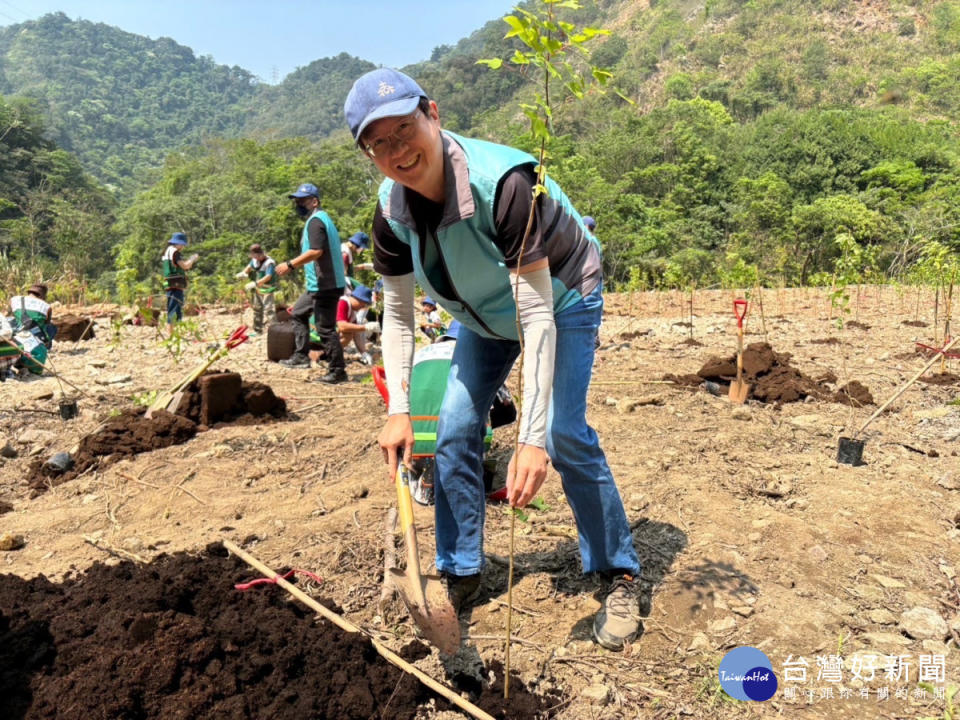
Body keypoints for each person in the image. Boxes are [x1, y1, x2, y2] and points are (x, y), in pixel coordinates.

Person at [345, 68, 643, 650]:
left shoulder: (501, 184)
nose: (397, 150)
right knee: (452, 428)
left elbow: (535, 316)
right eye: (378, 143)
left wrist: (530, 439)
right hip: (481, 315)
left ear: (432, 113)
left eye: (404, 129)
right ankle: (459, 571)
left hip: (560, 297)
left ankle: (618, 572)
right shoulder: (391, 213)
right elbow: (400, 315)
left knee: (563, 435)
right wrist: (400, 408)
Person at [276, 182, 348, 384]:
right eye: (297, 201)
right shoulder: (320, 219)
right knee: (298, 313)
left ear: (314, 201)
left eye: (302, 200)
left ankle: (338, 371)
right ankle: (301, 356)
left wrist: (290, 265)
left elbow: (316, 251)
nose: (298, 204)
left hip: (325, 284)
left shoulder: (316, 221)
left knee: (325, 329)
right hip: (318, 284)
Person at [236, 244, 277, 335]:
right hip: (258, 288)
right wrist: (243, 273)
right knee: (257, 308)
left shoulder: (269, 262)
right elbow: (249, 268)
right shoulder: (254, 260)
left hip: (268, 288)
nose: (256, 258)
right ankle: (257, 330)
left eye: (257, 256)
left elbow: (268, 276)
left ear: (261, 254)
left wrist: (255, 283)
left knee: (268, 309)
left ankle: (275, 330)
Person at [161, 232, 197, 333]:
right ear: (179, 244)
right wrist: (192, 259)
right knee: (174, 309)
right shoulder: (175, 253)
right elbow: (185, 266)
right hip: (175, 285)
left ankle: (173, 333)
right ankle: (171, 334)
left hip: (169, 284)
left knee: (173, 308)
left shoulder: (167, 251)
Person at [336, 283, 378, 365]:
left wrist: (364, 353)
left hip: (329, 335)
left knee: (351, 332)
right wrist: (365, 327)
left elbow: (356, 334)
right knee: (347, 334)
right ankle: (328, 354)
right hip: (316, 335)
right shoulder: (343, 302)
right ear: (357, 299)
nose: (363, 307)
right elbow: (342, 326)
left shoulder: (352, 312)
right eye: (363, 304)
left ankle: (330, 353)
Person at [10, 283, 56, 347]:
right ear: (42, 296)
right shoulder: (47, 306)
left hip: (19, 332)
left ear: (29, 292)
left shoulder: (14, 299)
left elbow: (14, 314)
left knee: (11, 320)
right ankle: (45, 347)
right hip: (35, 335)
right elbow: (47, 323)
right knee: (52, 327)